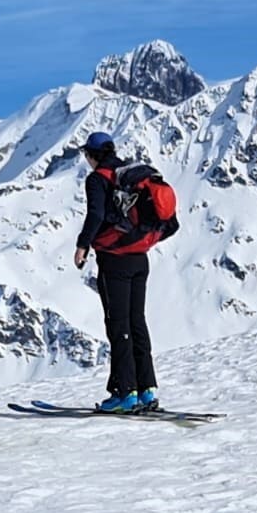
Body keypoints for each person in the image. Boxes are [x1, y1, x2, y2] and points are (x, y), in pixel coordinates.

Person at [74, 132, 160, 413]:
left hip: (114, 261)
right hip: (140, 257)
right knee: (137, 322)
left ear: (92, 155)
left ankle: (126, 394)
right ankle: (147, 390)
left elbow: (96, 214)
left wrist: (82, 244)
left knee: (118, 324)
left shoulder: (98, 179)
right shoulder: (129, 175)